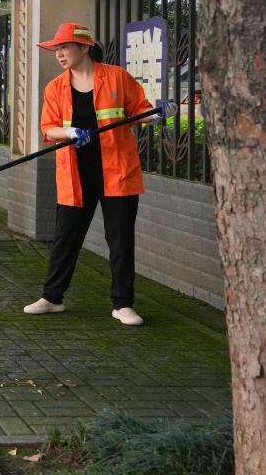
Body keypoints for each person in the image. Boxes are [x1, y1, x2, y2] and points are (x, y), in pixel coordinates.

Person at [22, 22, 174, 326]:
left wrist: (158, 115)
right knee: (66, 238)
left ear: (85, 47)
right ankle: (52, 297)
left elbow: (140, 111)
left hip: (116, 172)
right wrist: (68, 131)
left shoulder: (117, 77)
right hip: (75, 175)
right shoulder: (56, 87)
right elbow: (47, 129)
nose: (59, 53)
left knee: (120, 239)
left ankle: (122, 304)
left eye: (65, 47)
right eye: (56, 49)